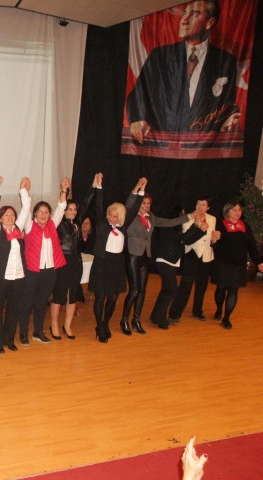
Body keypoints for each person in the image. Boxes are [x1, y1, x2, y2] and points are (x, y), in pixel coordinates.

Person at [127, 0, 239, 143]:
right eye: (184, 13)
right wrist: (137, 120)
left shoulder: (226, 61)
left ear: (209, 23)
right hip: (161, 145)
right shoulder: (160, 55)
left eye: (194, 14)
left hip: (202, 148)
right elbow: (137, 94)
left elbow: (227, 105)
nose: (184, 21)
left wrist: (229, 119)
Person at [120, 191, 190, 336]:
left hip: (146, 256)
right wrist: (138, 189)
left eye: (148, 203)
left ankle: (136, 320)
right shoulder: (131, 215)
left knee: (142, 290)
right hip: (133, 255)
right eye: (143, 203)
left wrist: (189, 217)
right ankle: (124, 320)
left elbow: (169, 222)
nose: (146, 206)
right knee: (134, 290)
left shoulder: (151, 217)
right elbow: (129, 204)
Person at [88, 175, 146, 343]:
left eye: (114, 216)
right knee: (100, 297)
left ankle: (105, 323)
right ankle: (100, 327)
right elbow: (98, 206)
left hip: (116, 265)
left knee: (113, 298)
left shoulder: (123, 226)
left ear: (120, 217)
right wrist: (99, 187)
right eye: (109, 215)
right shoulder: (102, 225)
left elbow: (133, 208)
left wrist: (139, 189)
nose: (111, 218)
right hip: (102, 264)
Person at [18, 177, 69, 346]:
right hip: (32, 271)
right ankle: (23, 333)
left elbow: (61, 208)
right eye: (40, 212)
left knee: (41, 303)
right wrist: (24, 191)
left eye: (46, 212)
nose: (43, 215)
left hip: (49, 271)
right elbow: (25, 207)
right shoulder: (29, 225)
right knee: (27, 303)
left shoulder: (52, 225)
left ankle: (38, 332)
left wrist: (64, 190)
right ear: (34, 214)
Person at [50, 177, 96, 341]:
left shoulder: (77, 224)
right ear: (64, 211)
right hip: (62, 262)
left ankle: (67, 325)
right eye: (69, 209)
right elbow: (60, 205)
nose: (73, 212)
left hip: (76, 262)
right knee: (58, 295)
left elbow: (86, 204)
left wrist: (93, 187)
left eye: (75, 209)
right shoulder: (58, 224)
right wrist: (64, 191)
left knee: (73, 295)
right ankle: (54, 325)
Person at [0, 175, 30, 353]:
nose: (10, 217)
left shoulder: (18, 229)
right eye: (6, 215)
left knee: (13, 309)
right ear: (1, 218)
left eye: (12, 214)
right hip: (1, 277)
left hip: (18, 276)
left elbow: (26, 208)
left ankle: (9, 339)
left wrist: (23, 191)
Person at [149, 209, 207, 329]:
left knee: (167, 289)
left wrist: (201, 230)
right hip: (164, 260)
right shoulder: (167, 227)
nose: (184, 216)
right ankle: (160, 318)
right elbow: (182, 238)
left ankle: (156, 316)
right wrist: (196, 225)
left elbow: (187, 240)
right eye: (182, 214)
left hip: (172, 261)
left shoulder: (176, 228)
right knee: (171, 289)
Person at [211, 200, 263, 329]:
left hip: (238, 264)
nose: (237, 212)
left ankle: (226, 318)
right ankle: (219, 309)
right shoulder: (221, 225)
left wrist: (259, 262)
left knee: (233, 290)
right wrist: (214, 240)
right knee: (221, 289)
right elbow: (215, 246)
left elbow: (252, 246)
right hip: (223, 263)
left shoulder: (245, 226)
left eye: (239, 210)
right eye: (234, 210)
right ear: (227, 211)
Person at [168, 196, 220, 322]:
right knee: (185, 285)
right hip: (192, 254)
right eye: (198, 204)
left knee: (202, 286)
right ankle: (175, 313)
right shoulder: (189, 217)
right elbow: (187, 239)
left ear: (208, 207)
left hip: (206, 256)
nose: (200, 207)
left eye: (203, 205)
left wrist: (214, 239)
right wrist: (198, 226)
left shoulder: (212, 219)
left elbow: (210, 239)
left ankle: (197, 311)